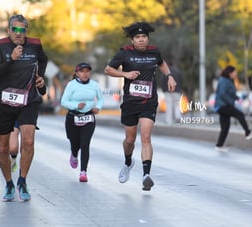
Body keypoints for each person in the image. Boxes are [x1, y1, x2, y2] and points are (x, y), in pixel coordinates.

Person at [104, 21, 177, 191]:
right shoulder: (124, 53)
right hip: (130, 102)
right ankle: (128, 162)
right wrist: (125, 73)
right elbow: (108, 69)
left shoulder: (154, 51)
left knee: (146, 137)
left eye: (144, 36)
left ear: (147, 38)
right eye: (137, 37)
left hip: (149, 101)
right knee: (130, 140)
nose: (141, 40)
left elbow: (162, 63)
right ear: (132, 40)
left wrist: (170, 76)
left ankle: (146, 175)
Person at [0, 14, 48, 202]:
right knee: (3, 147)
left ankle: (22, 180)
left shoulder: (35, 44)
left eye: (21, 30)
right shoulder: (0, 46)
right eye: (14, 29)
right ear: (8, 31)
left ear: (26, 31)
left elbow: (43, 60)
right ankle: (8, 183)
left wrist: (40, 77)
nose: (18, 33)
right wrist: (11, 59)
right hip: (5, 102)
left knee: (29, 142)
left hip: (28, 101)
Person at [60, 62, 104, 182]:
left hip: (89, 117)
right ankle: (74, 154)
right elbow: (63, 102)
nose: (85, 74)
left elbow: (100, 99)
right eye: (82, 71)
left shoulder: (94, 85)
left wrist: (98, 108)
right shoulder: (71, 85)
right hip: (73, 117)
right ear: (77, 73)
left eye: (87, 71)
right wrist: (76, 105)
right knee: (75, 143)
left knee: (85, 144)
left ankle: (83, 172)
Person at [214, 65, 252, 151]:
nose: (236, 74)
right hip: (223, 106)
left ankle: (219, 145)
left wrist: (237, 98)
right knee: (240, 114)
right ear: (230, 73)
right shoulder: (224, 81)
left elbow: (230, 93)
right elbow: (222, 94)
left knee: (225, 127)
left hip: (222, 106)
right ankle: (248, 132)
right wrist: (230, 102)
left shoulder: (228, 81)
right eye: (235, 72)